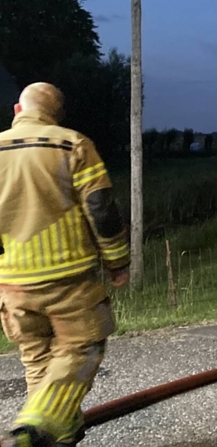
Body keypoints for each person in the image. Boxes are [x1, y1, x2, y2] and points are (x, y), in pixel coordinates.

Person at [0, 83, 130, 447]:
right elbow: (102, 209)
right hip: (68, 279)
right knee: (82, 347)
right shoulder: (72, 144)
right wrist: (118, 260)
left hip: (11, 286)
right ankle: (32, 429)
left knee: (39, 360)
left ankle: (56, 436)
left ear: (17, 110)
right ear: (57, 115)